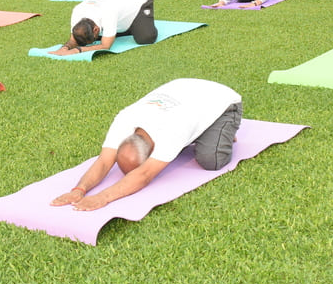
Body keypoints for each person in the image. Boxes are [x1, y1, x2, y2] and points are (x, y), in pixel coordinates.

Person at [49, 78, 243, 211]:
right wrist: (78, 190)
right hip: (183, 90)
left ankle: (225, 127)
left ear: (151, 153)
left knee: (211, 160)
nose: (128, 175)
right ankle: (207, 131)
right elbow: (103, 162)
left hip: (221, 98)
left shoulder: (172, 130)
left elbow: (144, 175)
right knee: (184, 139)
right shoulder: (124, 119)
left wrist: (102, 198)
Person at [50, 0, 155, 55]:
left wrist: (78, 50)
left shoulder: (108, 12)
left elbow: (106, 46)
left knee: (146, 37)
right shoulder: (77, 11)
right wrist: (64, 48)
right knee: (87, 38)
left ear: (96, 29)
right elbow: (74, 39)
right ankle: (122, 27)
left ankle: (134, 23)